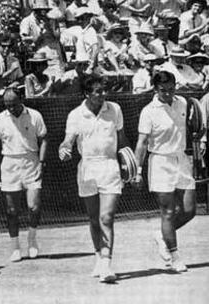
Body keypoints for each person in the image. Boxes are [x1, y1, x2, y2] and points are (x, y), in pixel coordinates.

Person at [58, 74, 129, 283]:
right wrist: (64, 150)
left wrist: (130, 164)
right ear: (86, 94)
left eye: (103, 90)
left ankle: (107, 263)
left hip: (110, 166)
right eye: (97, 91)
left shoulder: (114, 109)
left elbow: (122, 138)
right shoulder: (75, 115)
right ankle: (98, 255)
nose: (102, 94)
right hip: (87, 168)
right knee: (93, 218)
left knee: (106, 217)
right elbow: (67, 141)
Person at [132, 71, 201, 272]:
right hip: (160, 162)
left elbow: (194, 126)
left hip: (181, 160)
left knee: (189, 210)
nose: (168, 94)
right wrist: (138, 170)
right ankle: (174, 256)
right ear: (155, 89)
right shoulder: (148, 111)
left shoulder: (183, 103)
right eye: (163, 91)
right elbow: (142, 143)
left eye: (171, 90)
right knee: (168, 213)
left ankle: (161, 235)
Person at [0, 88, 48, 262]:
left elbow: (44, 140)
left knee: (33, 206)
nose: (10, 108)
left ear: (21, 99)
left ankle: (32, 239)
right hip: (9, 164)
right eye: (7, 105)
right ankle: (15, 247)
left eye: (13, 104)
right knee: (12, 210)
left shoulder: (35, 116)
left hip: (31, 162)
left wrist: (42, 162)